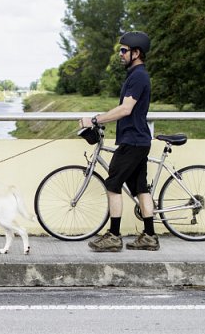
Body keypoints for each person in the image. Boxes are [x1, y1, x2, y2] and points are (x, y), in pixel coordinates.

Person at [78, 31, 158, 252]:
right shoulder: (135, 75)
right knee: (140, 188)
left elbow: (125, 109)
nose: (120, 54)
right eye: (120, 50)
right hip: (138, 139)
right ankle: (150, 236)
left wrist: (94, 119)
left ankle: (114, 236)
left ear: (136, 53)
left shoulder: (139, 77)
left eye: (124, 51)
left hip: (133, 141)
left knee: (113, 185)